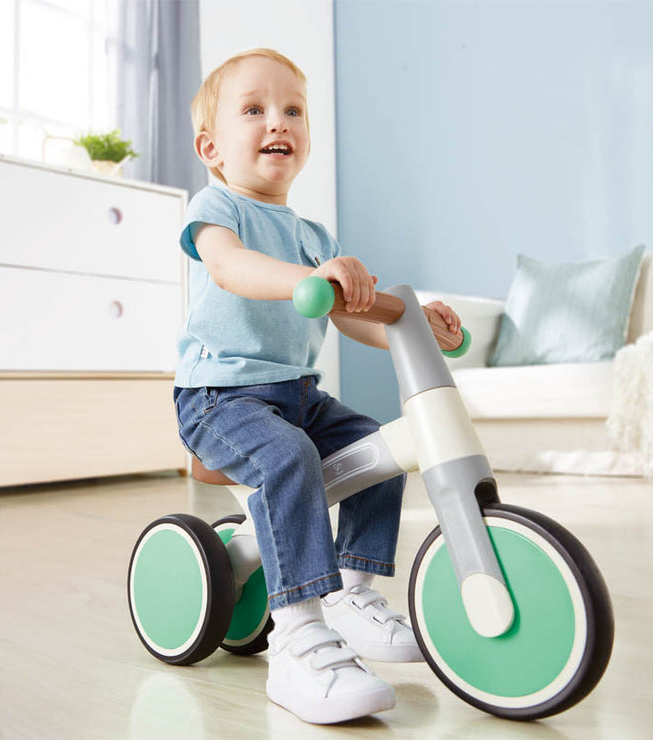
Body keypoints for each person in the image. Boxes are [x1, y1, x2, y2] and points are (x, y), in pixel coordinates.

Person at [174, 48, 461, 725]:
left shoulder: (311, 234)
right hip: (221, 397)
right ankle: (297, 638)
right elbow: (232, 269)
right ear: (210, 146)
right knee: (287, 460)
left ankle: (348, 594)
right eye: (254, 110)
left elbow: (351, 318)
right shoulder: (216, 208)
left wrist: (413, 326)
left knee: (383, 445)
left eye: (293, 109)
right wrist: (309, 278)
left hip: (296, 395)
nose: (279, 121)